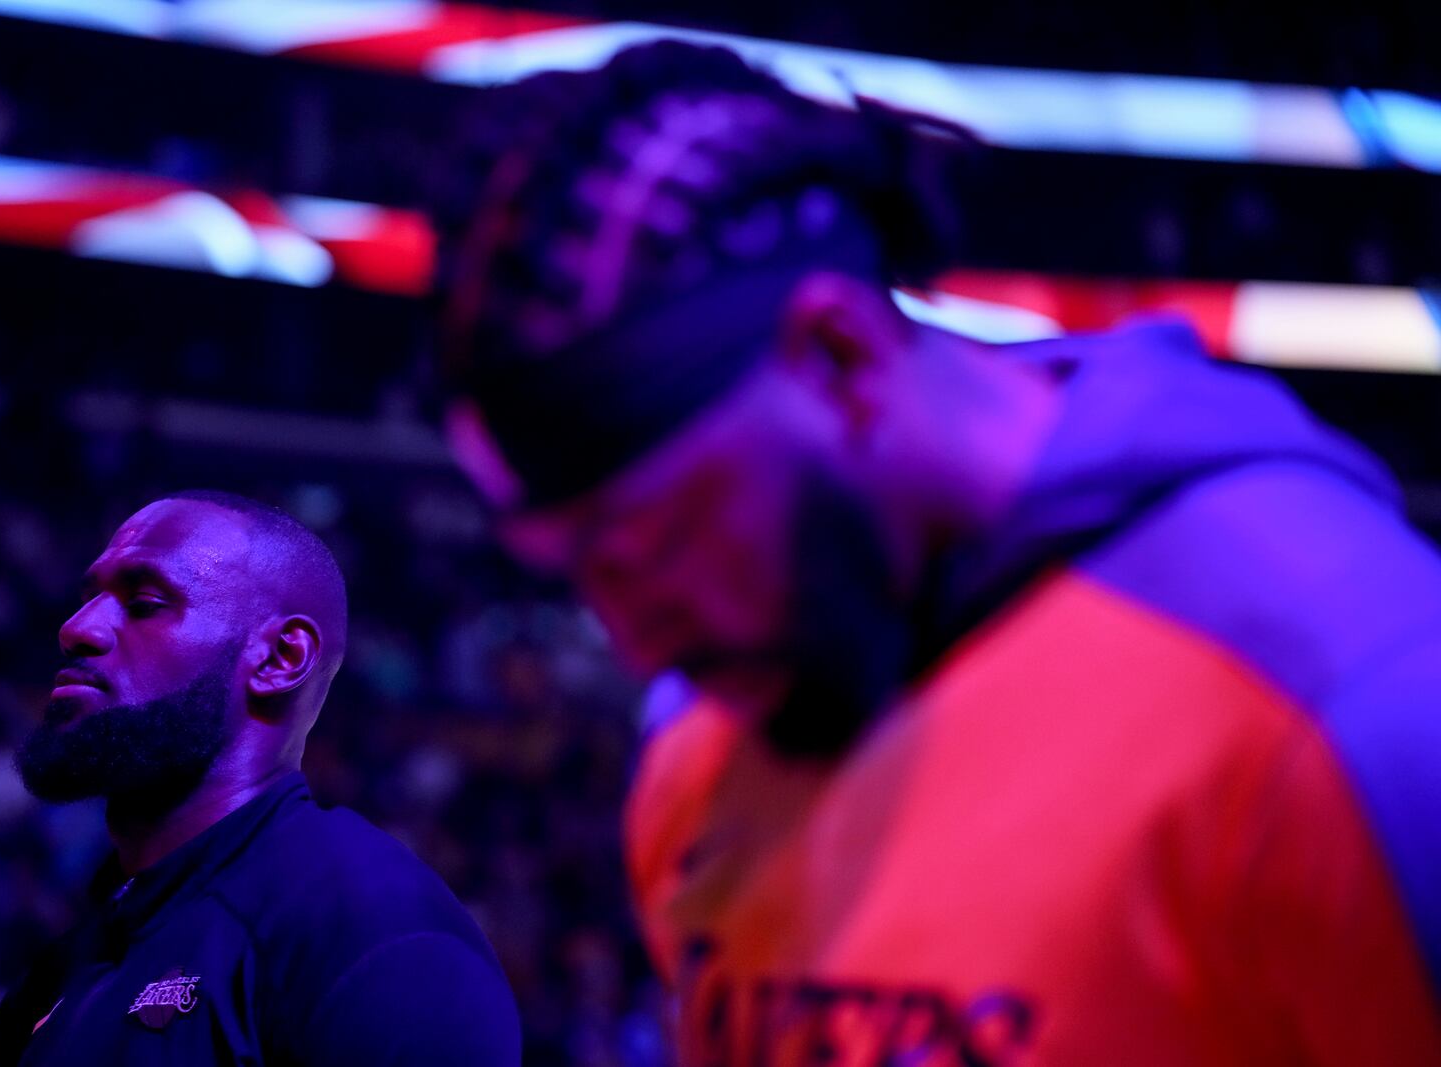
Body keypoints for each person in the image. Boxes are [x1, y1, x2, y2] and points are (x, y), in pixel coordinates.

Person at [429, 40, 1441, 1065]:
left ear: (841, 357)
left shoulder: (1345, 685)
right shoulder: (706, 730)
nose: (637, 641)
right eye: (578, 567)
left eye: (659, 536)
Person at [0, 490, 520, 1066]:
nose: (77, 628)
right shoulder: (64, 968)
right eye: (88, 598)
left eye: (143, 602)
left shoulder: (373, 927)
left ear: (279, 659)